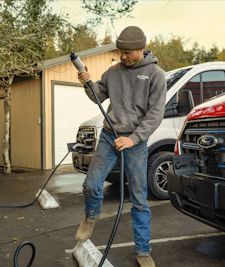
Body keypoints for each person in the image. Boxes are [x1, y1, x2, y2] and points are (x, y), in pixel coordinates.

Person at [75, 26, 167, 267]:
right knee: (91, 184)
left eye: (126, 52)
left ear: (139, 49)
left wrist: (134, 138)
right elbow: (98, 97)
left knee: (139, 199)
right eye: (120, 51)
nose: (123, 56)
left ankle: (143, 251)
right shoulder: (114, 72)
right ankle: (91, 216)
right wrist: (88, 83)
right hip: (109, 136)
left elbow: (156, 115)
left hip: (134, 143)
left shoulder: (156, 75)